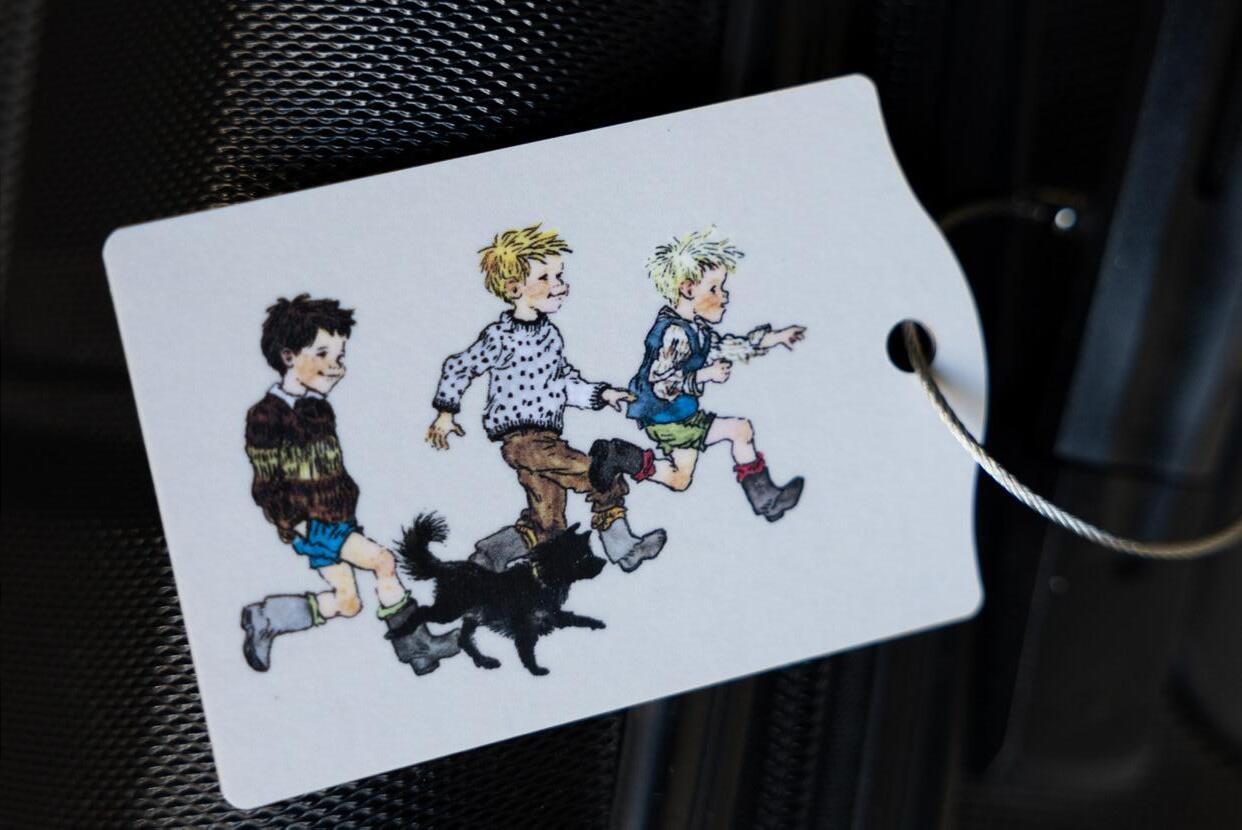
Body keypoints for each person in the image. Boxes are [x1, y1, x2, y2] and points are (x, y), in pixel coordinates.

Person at [427, 225, 666, 573]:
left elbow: (564, 383)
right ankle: (624, 548)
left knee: (548, 523)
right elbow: (459, 366)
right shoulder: (500, 337)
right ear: (515, 288)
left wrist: (602, 394)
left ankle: (487, 559)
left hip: (546, 440)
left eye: (560, 276)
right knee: (601, 474)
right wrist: (446, 412)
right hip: (523, 442)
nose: (559, 285)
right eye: (546, 278)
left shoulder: (550, 337)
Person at [241, 294, 460, 674]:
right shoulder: (266, 415)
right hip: (311, 524)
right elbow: (266, 482)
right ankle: (416, 646)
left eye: (339, 357)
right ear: (289, 356)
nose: (335, 366)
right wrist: (294, 522)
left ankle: (268, 616)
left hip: (337, 519)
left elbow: (330, 467)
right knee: (382, 561)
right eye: (323, 354)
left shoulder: (317, 409)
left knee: (348, 603)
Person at [589, 228, 806, 522]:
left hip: (681, 415)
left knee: (680, 478)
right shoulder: (676, 333)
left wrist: (777, 337)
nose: (724, 297)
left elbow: (732, 347)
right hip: (667, 416)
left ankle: (621, 456)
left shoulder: (699, 331)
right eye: (714, 289)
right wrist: (704, 375)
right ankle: (765, 500)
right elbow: (661, 383)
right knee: (739, 430)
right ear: (688, 289)